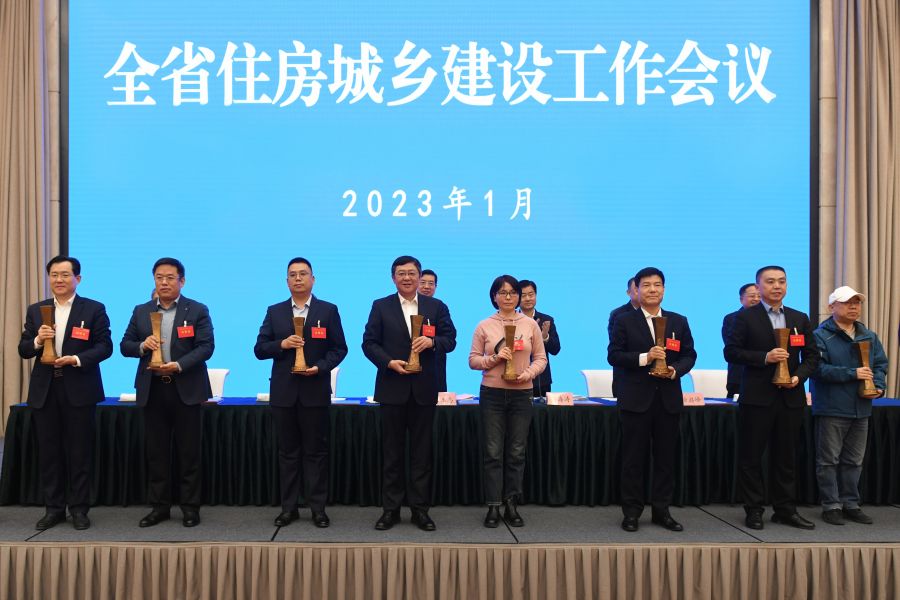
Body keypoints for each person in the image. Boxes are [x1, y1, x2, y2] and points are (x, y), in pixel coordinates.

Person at [17, 255, 112, 530]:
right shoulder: (37, 310)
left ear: (77, 279)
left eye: (65, 274)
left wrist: (77, 359)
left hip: (79, 388)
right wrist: (38, 339)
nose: (59, 279)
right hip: (45, 390)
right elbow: (24, 349)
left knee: (79, 453)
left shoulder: (93, 309)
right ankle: (54, 509)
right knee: (49, 453)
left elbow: (104, 346)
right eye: (54, 275)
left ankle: (79, 509)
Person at [362, 256, 457, 531]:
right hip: (392, 387)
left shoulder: (436, 307)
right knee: (392, 453)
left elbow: (450, 340)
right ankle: (390, 510)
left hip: (424, 390)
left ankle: (420, 510)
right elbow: (369, 343)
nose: (407, 277)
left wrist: (432, 341)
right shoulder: (381, 306)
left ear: (419, 276)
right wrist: (388, 362)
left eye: (411, 273)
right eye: (401, 273)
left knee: (421, 454)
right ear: (393, 278)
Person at [120, 257, 214, 528]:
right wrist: (142, 345)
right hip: (153, 389)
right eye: (159, 277)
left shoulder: (196, 310)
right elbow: (125, 345)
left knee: (189, 453)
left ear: (181, 281)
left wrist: (179, 365)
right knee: (156, 453)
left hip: (186, 389)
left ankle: (190, 508)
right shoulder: (141, 311)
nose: (164, 282)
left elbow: (206, 347)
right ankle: (159, 507)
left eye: (170, 278)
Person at [254, 257, 348, 528]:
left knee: (316, 452)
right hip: (284, 393)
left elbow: (339, 348)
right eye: (293, 275)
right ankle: (289, 508)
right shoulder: (275, 312)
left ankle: (318, 509)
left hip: (314, 391)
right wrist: (281, 344)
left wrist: (320, 367)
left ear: (312, 279)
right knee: (288, 453)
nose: (298, 278)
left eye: (303, 274)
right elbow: (259, 349)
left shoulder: (327, 310)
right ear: (287, 281)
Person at [724, 265, 819, 530]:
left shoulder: (799, 317)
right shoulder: (745, 317)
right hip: (757, 397)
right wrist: (765, 357)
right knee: (752, 457)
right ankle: (754, 509)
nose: (777, 286)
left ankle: (785, 510)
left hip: (791, 397)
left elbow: (812, 356)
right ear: (758, 287)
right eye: (770, 282)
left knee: (786, 457)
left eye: (782, 281)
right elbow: (731, 352)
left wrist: (798, 377)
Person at [608, 267, 696, 532]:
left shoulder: (678, 321)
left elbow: (690, 355)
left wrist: (675, 370)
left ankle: (662, 511)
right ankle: (631, 512)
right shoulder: (624, 320)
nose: (652, 290)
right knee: (633, 459)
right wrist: (645, 357)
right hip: (636, 399)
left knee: (665, 459)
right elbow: (614, 356)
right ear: (636, 290)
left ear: (664, 289)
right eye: (646, 285)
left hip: (668, 399)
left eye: (657, 285)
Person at [469, 275, 546, 528]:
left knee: (516, 452)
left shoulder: (530, 324)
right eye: (502, 293)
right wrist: (494, 358)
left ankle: (511, 504)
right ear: (494, 297)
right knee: (493, 452)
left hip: (522, 394)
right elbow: (473, 361)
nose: (508, 297)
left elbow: (541, 359)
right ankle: (493, 506)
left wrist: (529, 374)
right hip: (492, 394)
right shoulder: (484, 325)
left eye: (513, 292)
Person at [811, 286, 887, 526]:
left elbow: (880, 365)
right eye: (846, 302)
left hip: (861, 408)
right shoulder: (820, 336)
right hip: (832, 407)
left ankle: (851, 504)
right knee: (828, 460)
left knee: (854, 461)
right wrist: (851, 373)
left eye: (857, 302)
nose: (853, 306)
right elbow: (817, 369)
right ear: (831, 307)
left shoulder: (869, 335)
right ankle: (831, 505)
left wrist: (879, 385)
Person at [518, 279, 560, 398]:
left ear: (536, 295)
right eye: (523, 295)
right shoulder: (511, 321)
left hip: (541, 381)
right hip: (517, 379)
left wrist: (544, 337)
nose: (528, 299)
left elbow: (556, 349)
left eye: (531, 294)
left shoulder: (546, 320)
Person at [722, 283, 761, 398]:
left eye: (759, 296)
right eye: (752, 296)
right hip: (739, 377)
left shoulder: (771, 318)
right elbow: (733, 348)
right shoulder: (731, 319)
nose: (756, 299)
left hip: (766, 378)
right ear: (741, 299)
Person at [607, 277, 640, 398]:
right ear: (628, 292)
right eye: (636, 288)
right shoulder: (618, 314)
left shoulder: (659, 315)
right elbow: (616, 346)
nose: (640, 291)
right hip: (625, 376)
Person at [418, 269, 448, 392]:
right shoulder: (402, 306)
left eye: (431, 283)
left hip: (433, 372)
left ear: (436, 286)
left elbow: (449, 340)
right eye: (423, 282)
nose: (426, 286)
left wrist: (432, 342)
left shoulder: (440, 307)